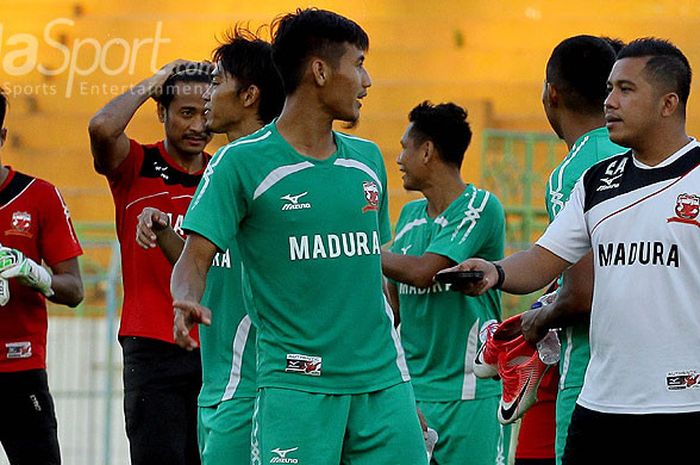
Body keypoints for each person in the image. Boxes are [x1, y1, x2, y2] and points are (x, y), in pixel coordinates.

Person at [171, 8, 428, 465]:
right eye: (359, 64)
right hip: (296, 385)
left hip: (384, 383)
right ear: (321, 71)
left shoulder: (367, 161)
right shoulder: (239, 164)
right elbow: (193, 259)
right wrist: (185, 299)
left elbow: (372, 271)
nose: (366, 81)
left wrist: (407, 391)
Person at [441, 38, 700, 464]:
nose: (610, 102)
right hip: (600, 403)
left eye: (626, 90)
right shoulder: (597, 182)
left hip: (682, 403)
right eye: (609, 89)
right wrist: (495, 271)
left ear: (668, 103)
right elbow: (544, 258)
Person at [136, 28, 284, 465]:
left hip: (263, 383)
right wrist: (166, 234)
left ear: (249, 96)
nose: (206, 97)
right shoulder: (224, 164)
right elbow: (200, 259)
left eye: (217, 83)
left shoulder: (275, 166)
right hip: (220, 379)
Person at [88, 60, 213, 465]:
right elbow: (102, 128)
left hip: (215, 345)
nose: (198, 125)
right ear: (162, 112)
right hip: (152, 348)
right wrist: (158, 80)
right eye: (186, 112)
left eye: (206, 113)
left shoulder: (224, 172)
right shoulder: (135, 165)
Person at [516, 35, 624, 465]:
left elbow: (581, 293)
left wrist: (537, 319)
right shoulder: (646, 153)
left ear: (551, 94)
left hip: (593, 375)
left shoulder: (575, 170)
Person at [381, 101, 508, 465]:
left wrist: (360, 251)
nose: (400, 158)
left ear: (427, 151)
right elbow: (395, 306)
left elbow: (424, 273)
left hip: (469, 392)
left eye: (406, 147)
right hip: (413, 394)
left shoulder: (480, 207)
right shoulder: (407, 216)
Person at [0, 88, 84, 465]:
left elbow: (75, 289)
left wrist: (35, 274)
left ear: (2, 137)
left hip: (20, 371)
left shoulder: (39, 196)